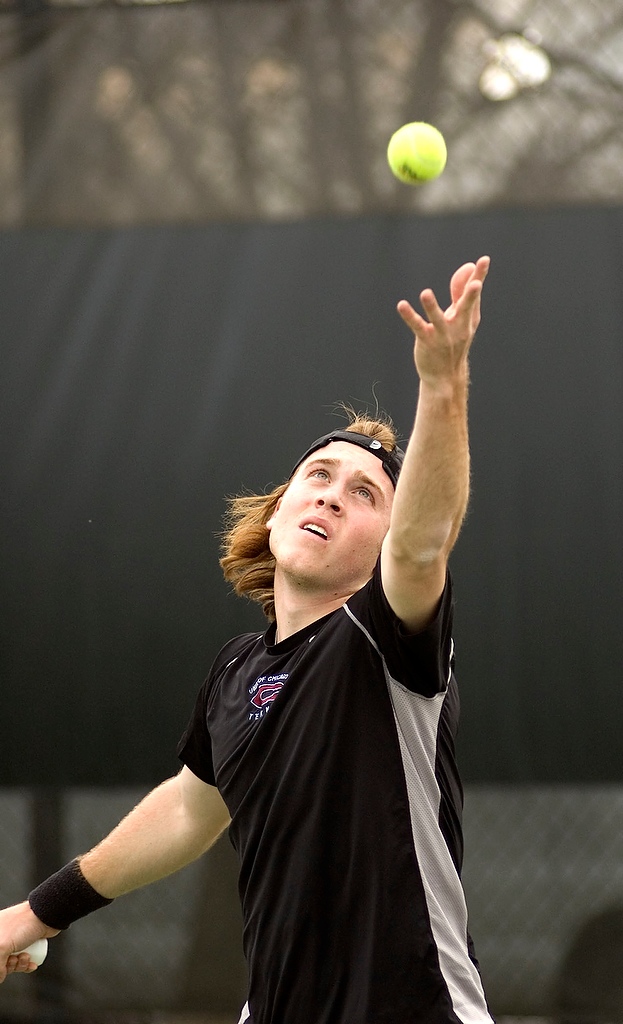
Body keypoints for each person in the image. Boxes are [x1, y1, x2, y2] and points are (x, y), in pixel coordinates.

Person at [0, 254, 493, 1024]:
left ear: (385, 532)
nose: (332, 493)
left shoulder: (383, 642)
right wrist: (34, 914)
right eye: (318, 476)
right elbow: (190, 811)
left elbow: (424, 543)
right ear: (276, 509)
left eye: (364, 493)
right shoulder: (235, 672)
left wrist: (442, 384)